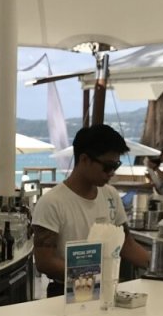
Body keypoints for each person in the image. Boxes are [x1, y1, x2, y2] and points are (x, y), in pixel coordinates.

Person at [31, 124, 152, 295]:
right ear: (84, 159)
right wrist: (93, 277)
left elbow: (126, 244)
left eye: (116, 165)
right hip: (65, 292)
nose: (112, 173)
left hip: (106, 290)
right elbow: (45, 262)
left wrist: (158, 266)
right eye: (107, 166)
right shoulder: (51, 202)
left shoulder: (110, 195)